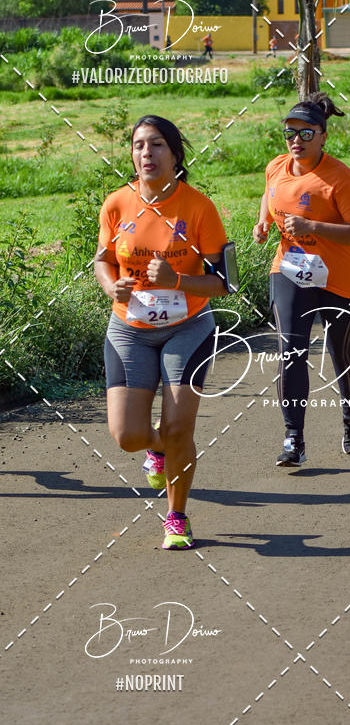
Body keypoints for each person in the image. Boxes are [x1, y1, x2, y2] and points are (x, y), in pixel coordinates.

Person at [94, 115, 231, 548]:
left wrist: (177, 280)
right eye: (138, 145)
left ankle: (177, 517)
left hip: (187, 328)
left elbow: (224, 283)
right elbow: (103, 259)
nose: (146, 153)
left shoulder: (199, 207)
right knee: (127, 436)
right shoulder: (117, 203)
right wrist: (109, 285)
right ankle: (158, 446)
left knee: (179, 429)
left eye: (156, 145)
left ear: (175, 154)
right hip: (129, 329)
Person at [252, 92, 350, 466]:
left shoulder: (341, 179)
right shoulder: (276, 167)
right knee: (291, 351)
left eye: (306, 134)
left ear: (323, 136)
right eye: (290, 133)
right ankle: (294, 439)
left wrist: (313, 226)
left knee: (342, 351)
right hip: (290, 270)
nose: (296, 140)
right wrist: (262, 223)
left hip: (340, 278)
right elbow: (269, 194)